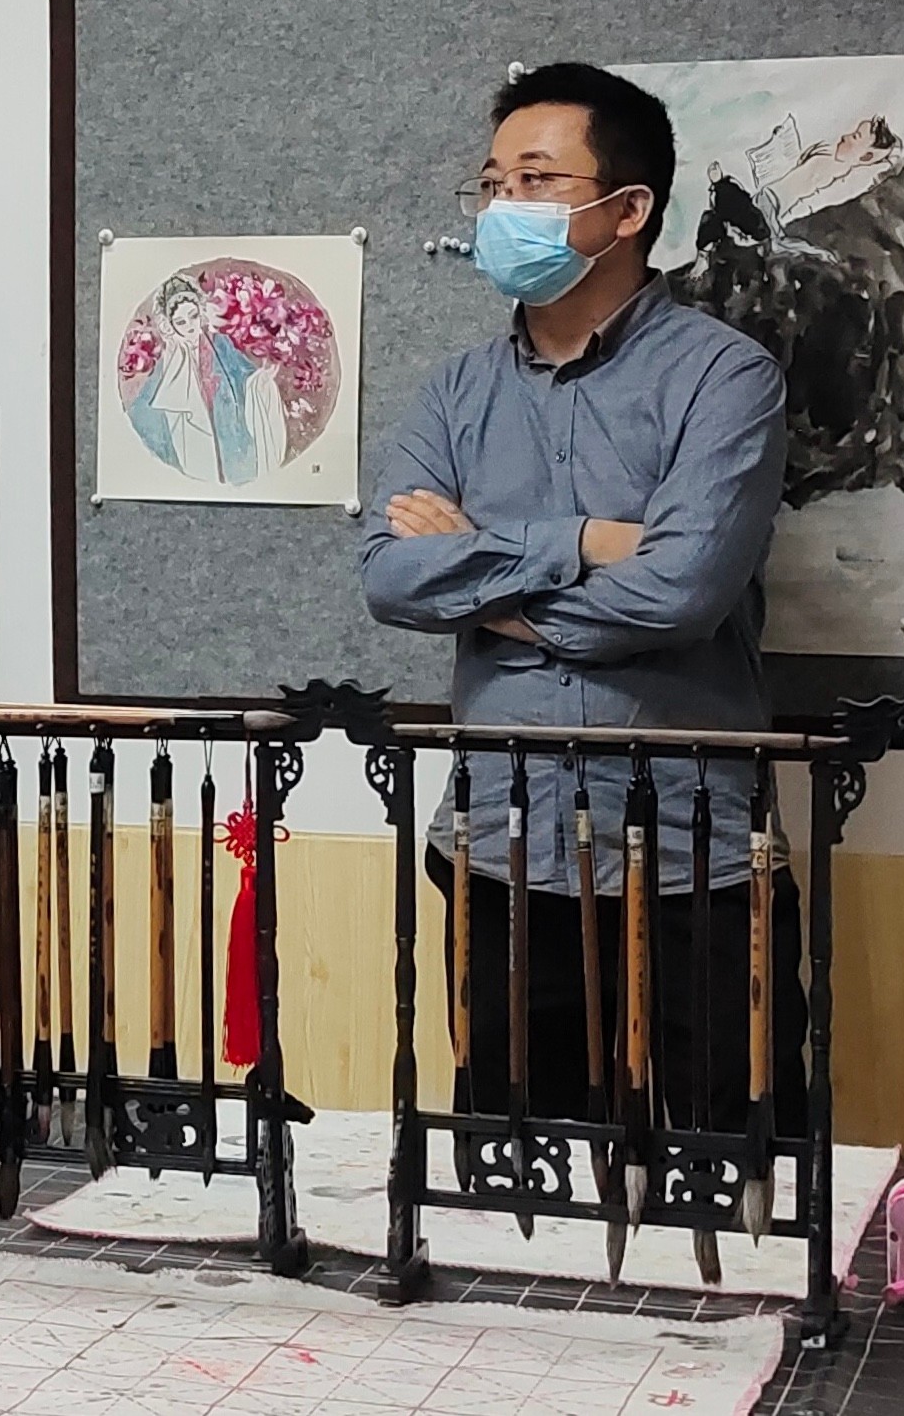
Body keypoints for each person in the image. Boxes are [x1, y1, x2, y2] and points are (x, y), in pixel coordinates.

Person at [358, 62, 802, 1136]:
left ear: (627, 209)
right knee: (515, 1163)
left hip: (695, 849)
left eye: (535, 178)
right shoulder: (453, 392)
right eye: (490, 182)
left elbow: (679, 593)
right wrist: (583, 542)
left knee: (726, 1163)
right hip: (499, 844)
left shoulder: (725, 377)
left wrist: (485, 588)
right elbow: (389, 576)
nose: (501, 205)